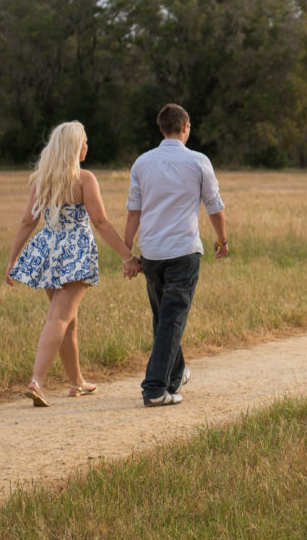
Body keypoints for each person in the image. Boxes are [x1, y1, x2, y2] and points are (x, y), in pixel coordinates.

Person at [5, 120, 138, 407]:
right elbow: (100, 221)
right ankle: (36, 381)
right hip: (75, 251)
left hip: (48, 250)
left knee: (67, 319)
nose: (87, 147)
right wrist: (128, 256)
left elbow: (28, 220)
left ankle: (76, 381)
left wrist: (13, 258)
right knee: (60, 318)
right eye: (84, 143)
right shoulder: (84, 179)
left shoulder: (44, 179)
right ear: (73, 147)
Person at [124, 103, 228, 407]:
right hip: (183, 251)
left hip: (152, 253)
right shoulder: (198, 161)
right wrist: (222, 240)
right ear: (186, 127)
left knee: (163, 319)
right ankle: (155, 388)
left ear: (161, 128)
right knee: (170, 320)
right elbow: (214, 206)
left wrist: (128, 254)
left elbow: (133, 214)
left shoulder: (142, 163)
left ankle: (176, 372)